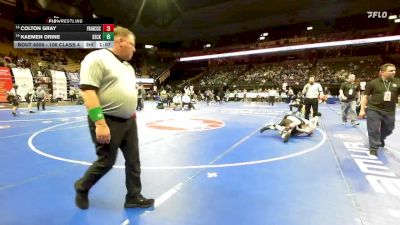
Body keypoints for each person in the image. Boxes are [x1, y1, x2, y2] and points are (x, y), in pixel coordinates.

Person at [74, 26, 154, 209]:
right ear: (120, 41)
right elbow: (88, 93)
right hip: (107, 120)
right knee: (106, 162)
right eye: (132, 45)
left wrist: (130, 112)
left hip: (129, 121)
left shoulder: (128, 67)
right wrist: (100, 123)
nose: (135, 49)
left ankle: (133, 196)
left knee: (134, 160)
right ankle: (82, 186)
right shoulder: (97, 58)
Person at [359, 63, 399, 156]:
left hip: (390, 111)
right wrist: (362, 110)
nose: (394, 72)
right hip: (374, 109)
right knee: (373, 129)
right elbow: (365, 97)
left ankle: (381, 138)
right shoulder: (373, 83)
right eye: (391, 71)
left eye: (395, 70)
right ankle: (373, 147)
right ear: (383, 72)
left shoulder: (397, 82)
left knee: (389, 129)